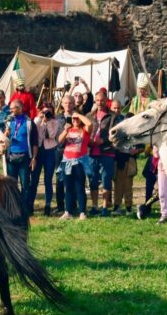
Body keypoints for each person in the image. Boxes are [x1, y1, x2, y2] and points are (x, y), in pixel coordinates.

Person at [5, 99, 38, 220]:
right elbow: (4, 138)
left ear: (20, 108)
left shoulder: (29, 122)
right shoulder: (9, 121)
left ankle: (25, 208)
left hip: (24, 157)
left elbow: (35, 142)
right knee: (11, 184)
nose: (11, 110)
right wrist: (6, 132)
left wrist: (34, 158)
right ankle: (13, 209)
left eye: (13, 108)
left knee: (25, 184)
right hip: (11, 157)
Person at [87, 88, 117, 216]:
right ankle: (94, 206)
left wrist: (103, 141)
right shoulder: (89, 115)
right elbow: (86, 131)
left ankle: (104, 207)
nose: (100, 102)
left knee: (106, 180)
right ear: (95, 101)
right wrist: (89, 141)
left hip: (106, 152)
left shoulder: (112, 116)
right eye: (98, 100)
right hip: (92, 152)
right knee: (93, 180)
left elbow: (114, 134)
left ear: (106, 101)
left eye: (102, 100)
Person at [31, 101, 64, 216]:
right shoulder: (37, 120)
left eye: (49, 111)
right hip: (38, 150)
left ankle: (48, 205)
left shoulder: (55, 122)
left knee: (48, 180)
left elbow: (51, 135)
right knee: (34, 179)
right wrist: (41, 119)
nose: (47, 113)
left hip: (50, 150)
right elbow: (34, 132)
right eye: (45, 110)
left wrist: (48, 122)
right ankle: (30, 204)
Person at [57, 111, 92, 220]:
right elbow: (59, 141)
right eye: (73, 119)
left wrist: (78, 114)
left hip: (79, 162)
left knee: (79, 187)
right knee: (68, 188)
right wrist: (65, 130)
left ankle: (82, 212)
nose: (75, 120)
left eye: (77, 119)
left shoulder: (84, 130)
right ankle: (68, 211)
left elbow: (89, 124)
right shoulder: (69, 130)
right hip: (67, 161)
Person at [109, 99, 137, 216]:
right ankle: (117, 206)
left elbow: (140, 146)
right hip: (118, 157)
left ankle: (129, 207)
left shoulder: (135, 130)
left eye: (118, 108)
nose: (116, 110)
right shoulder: (113, 125)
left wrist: (135, 151)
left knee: (128, 185)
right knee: (118, 184)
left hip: (130, 159)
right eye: (114, 108)